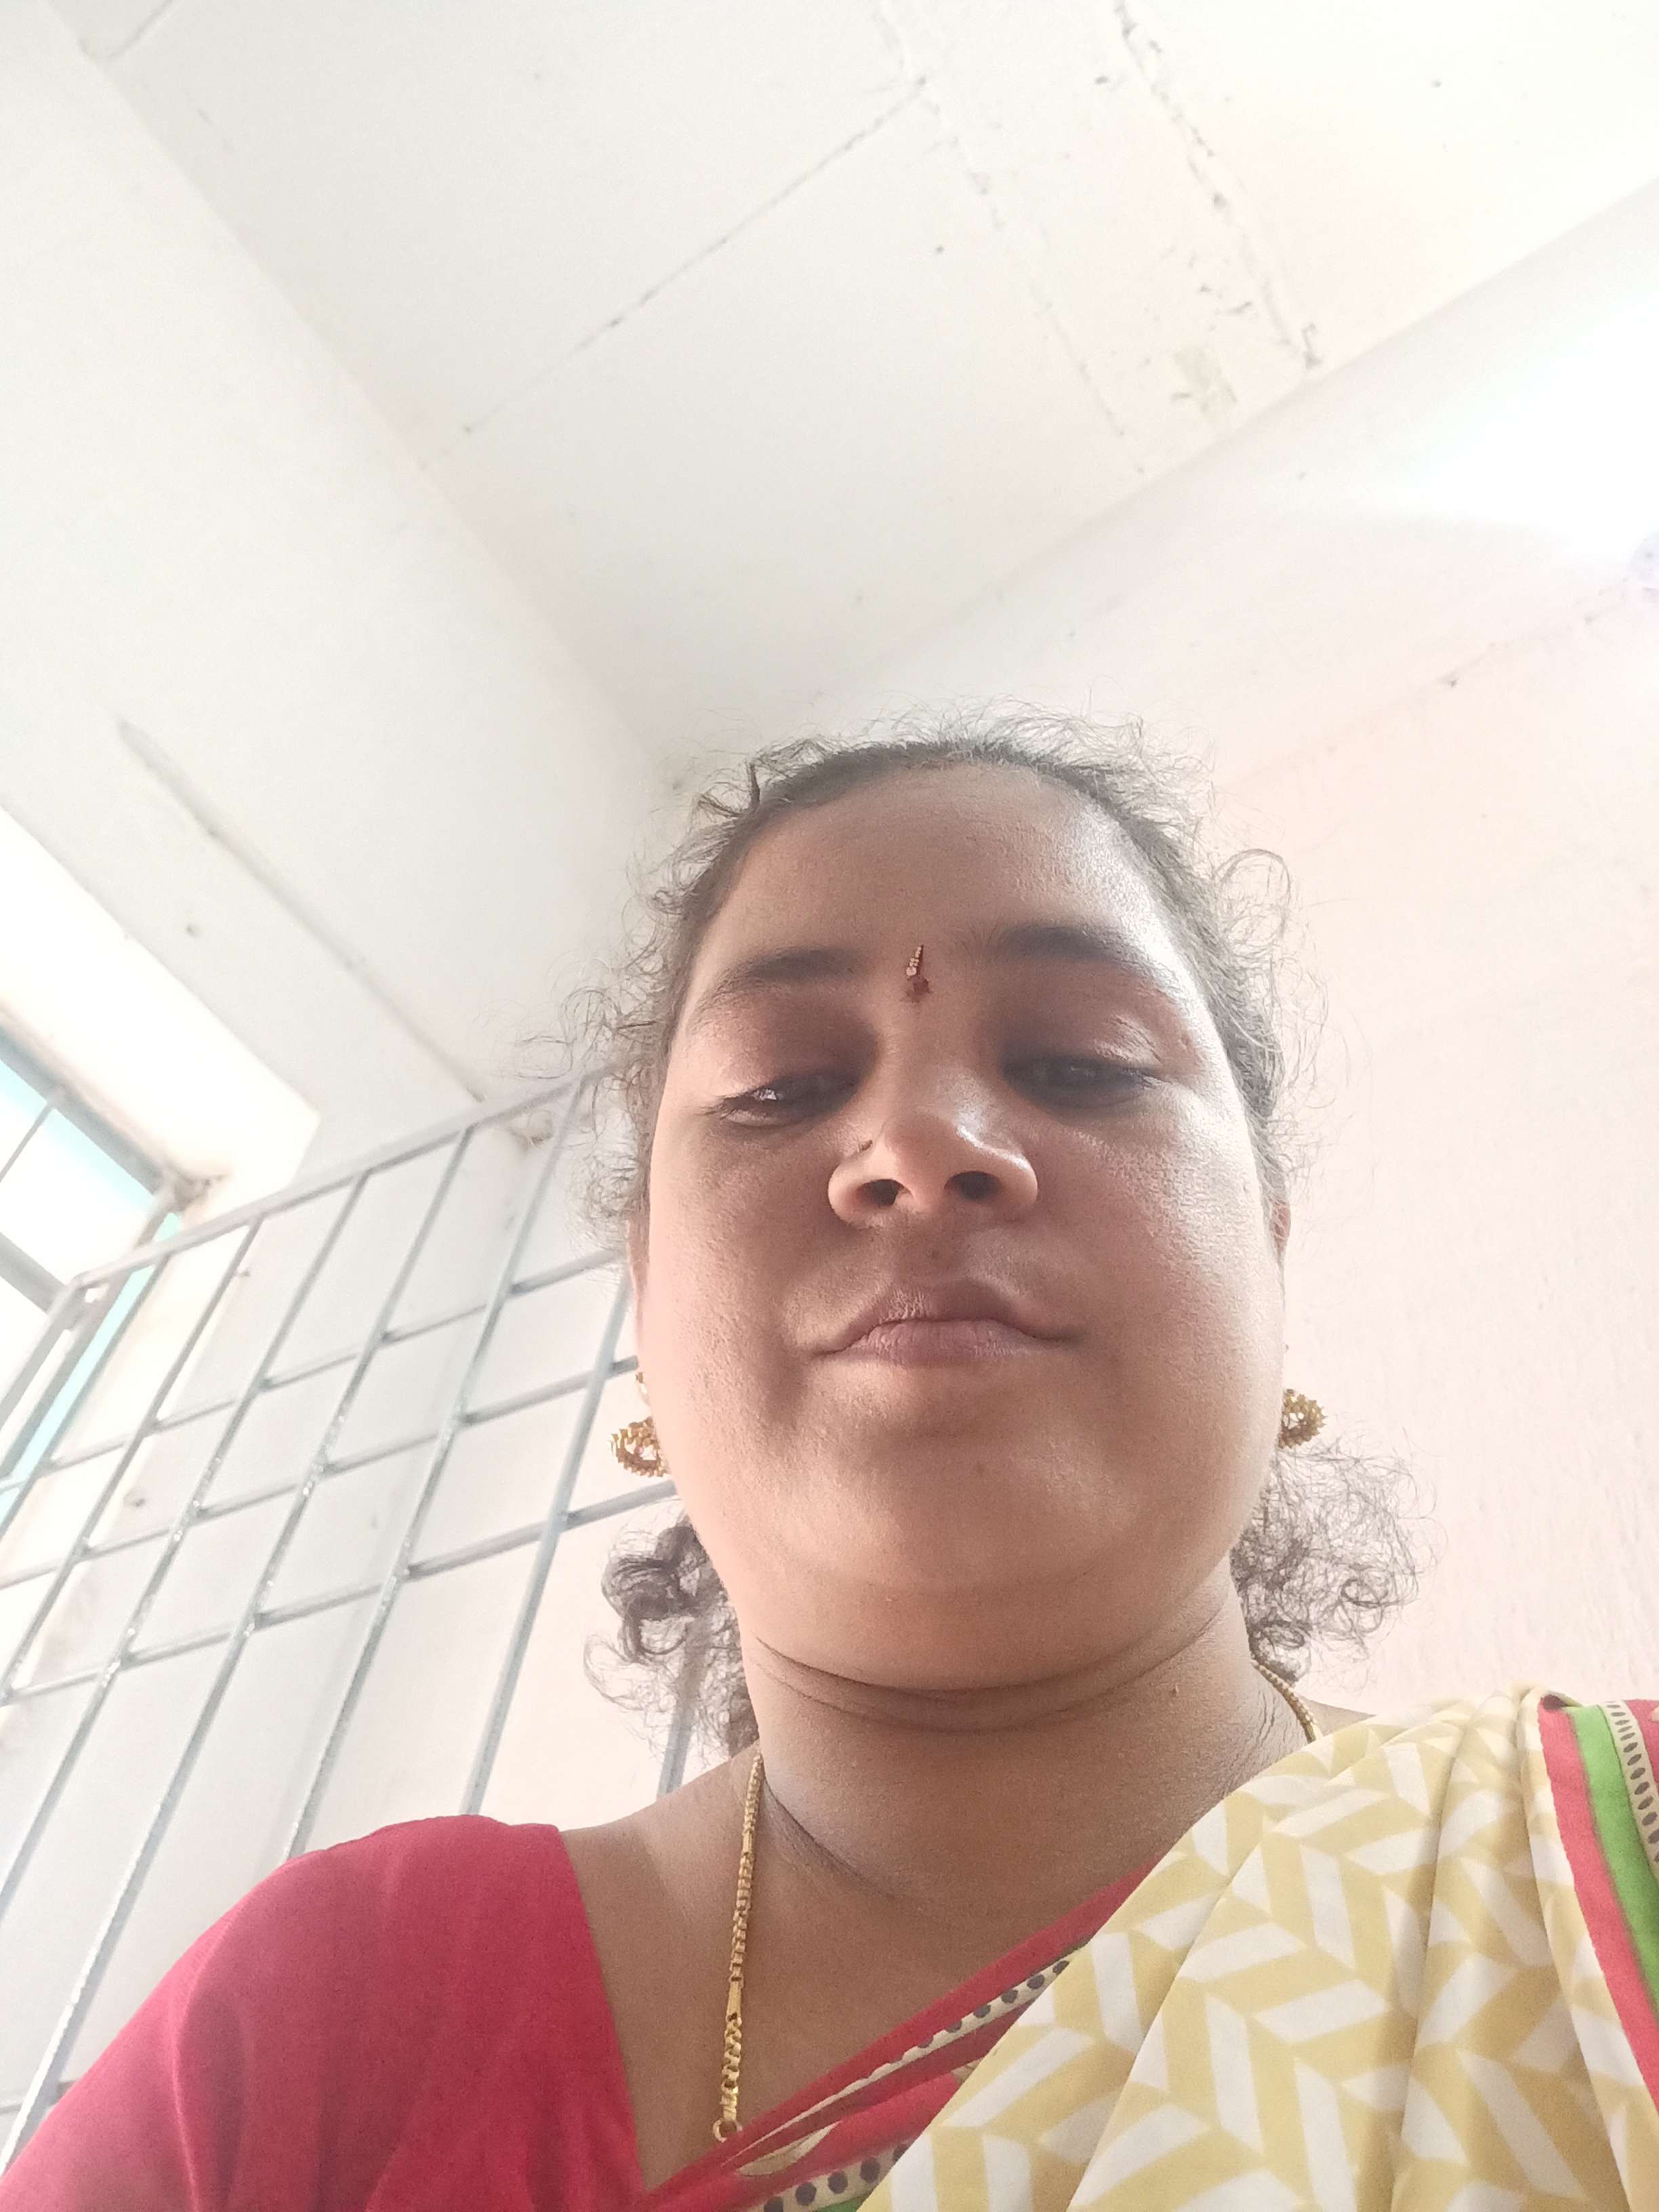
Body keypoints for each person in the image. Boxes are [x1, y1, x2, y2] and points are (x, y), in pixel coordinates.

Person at [4, 714, 1654, 2211]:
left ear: (1270, 1255)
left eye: (1079, 1064)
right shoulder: (333, 2020)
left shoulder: (1602, 1875)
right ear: (649, 1301)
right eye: (783, 1086)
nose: (919, 1144)